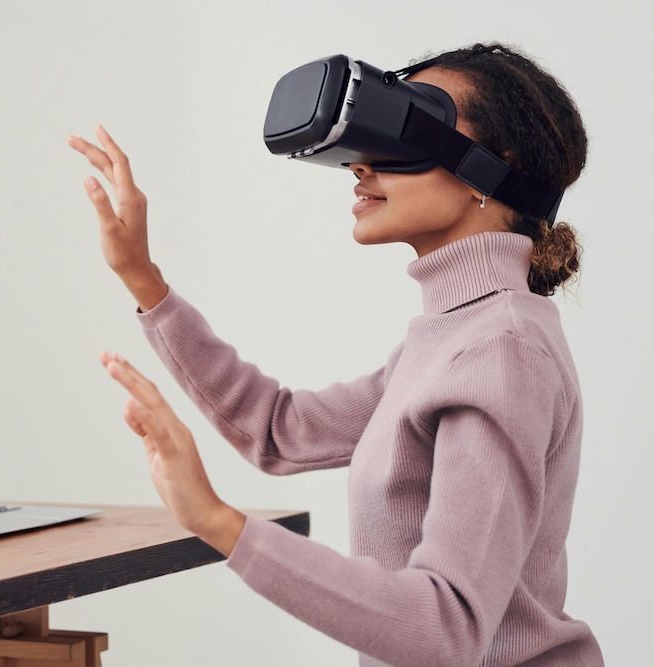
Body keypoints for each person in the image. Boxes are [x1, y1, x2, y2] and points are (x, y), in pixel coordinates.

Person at [68, 43, 603, 667]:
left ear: (492, 169)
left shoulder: (500, 351)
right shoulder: (454, 337)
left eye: (413, 126)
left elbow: (446, 626)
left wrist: (216, 519)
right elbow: (280, 432)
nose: (361, 165)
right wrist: (143, 278)